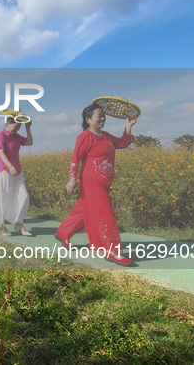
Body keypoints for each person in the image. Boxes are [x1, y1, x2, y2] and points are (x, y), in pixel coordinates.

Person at [55, 104, 136, 265]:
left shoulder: (105, 136)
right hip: (91, 181)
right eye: (99, 116)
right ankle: (111, 249)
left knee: (85, 209)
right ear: (88, 119)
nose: (102, 118)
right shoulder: (85, 136)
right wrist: (72, 179)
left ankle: (63, 231)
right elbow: (75, 158)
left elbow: (122, 144)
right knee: (104, 213)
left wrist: (128, 127)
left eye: (103, 115)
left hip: (104, 182)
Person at [0, 112, 33, 237]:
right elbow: (1, 153)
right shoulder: (1, 135)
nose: (17, 129)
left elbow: (29, 142)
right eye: (15, 126)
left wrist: (27, 128)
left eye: (19, 127)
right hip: (4, 170)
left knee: (24, 196)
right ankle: (1, 225)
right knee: (4, 198)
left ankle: (18, 223)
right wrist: (10, 166)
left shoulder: (17, 136)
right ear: (9, 123)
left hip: (17, 171)